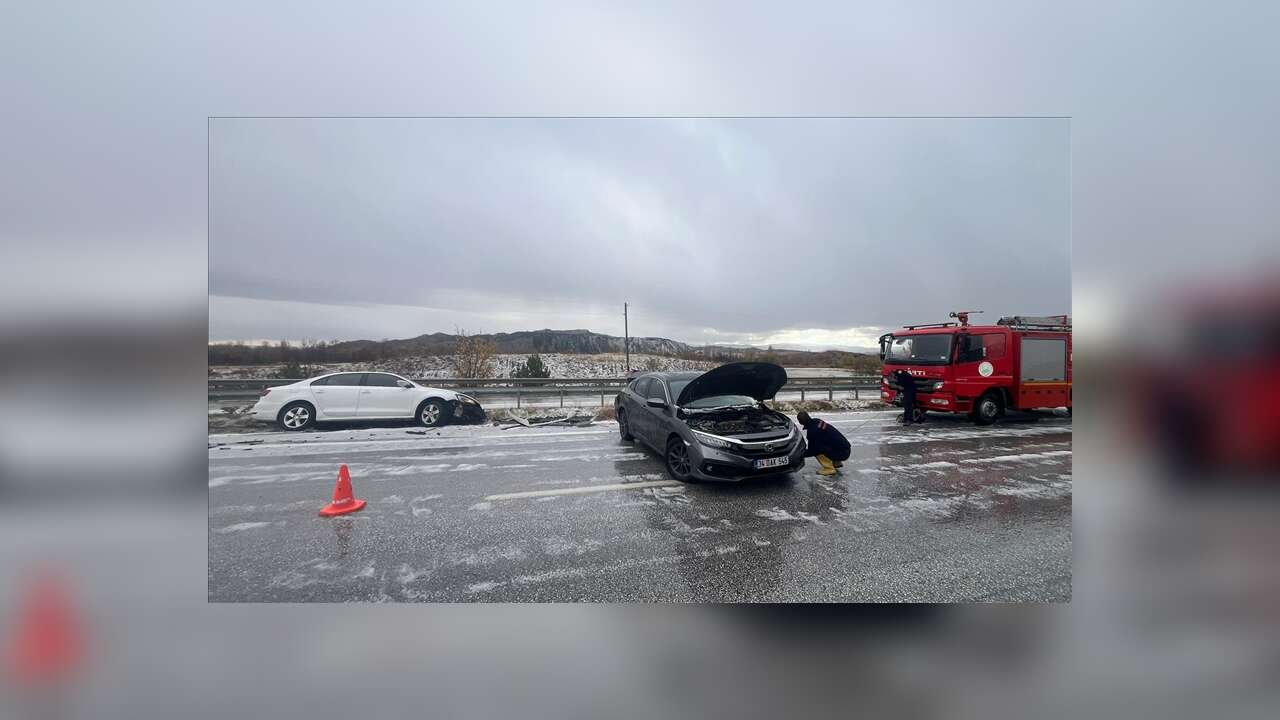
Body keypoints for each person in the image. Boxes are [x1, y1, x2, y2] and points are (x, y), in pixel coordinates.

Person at [796, 411, 851, 476]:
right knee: (826, 443)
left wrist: (800, 455)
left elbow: (813, 450)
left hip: (842, 454)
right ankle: (837, 462)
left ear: (800, 422)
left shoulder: (812, 431)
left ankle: (829, 469)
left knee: (818, 450)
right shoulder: (817, 421)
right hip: (846, 448)